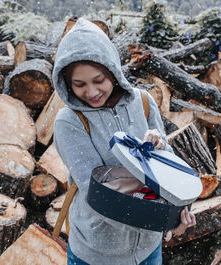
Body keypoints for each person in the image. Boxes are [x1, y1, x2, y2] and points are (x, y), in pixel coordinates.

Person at [52, 18, 196, 265]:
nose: (92, 92)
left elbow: (167, 166)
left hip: (148, 251)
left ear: (113, 72)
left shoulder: (142, 102)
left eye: (99, 80)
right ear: (67, 84)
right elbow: (98, 195)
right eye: (79, 84)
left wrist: (159, 146)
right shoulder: (70, 121)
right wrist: (164, 219)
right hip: (97, 253)